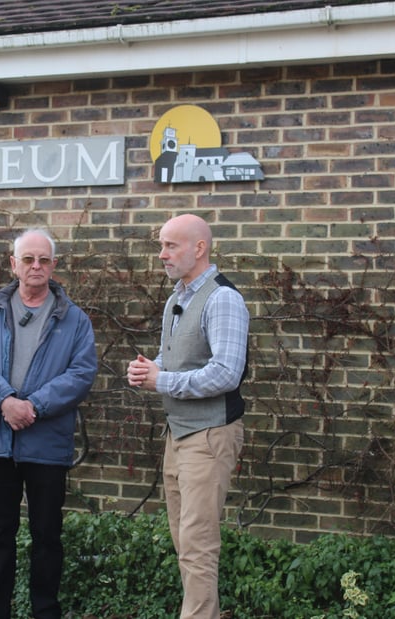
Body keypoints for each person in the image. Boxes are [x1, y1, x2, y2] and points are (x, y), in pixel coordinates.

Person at [0, 228, 98, 619]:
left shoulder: (74, 319)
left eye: (44, 260)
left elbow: (81, 374)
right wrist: (5, 400)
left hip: (46, 443)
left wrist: (32, 406)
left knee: (47, 535)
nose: (36, 266)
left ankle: (45, 612)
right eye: (28, 259)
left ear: (53, 266)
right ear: (13, 264)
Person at [126, 213, 249, 619]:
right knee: (185, 542)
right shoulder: (177, 298)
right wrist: (150, 368)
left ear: (199, 248)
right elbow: (176, 358)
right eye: (161, 246)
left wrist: (161, 380)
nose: (162, 255)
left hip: (210, 435)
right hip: (178, 435)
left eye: (170, 246)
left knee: (197, 545)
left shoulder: (222, 298)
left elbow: (226, 373)